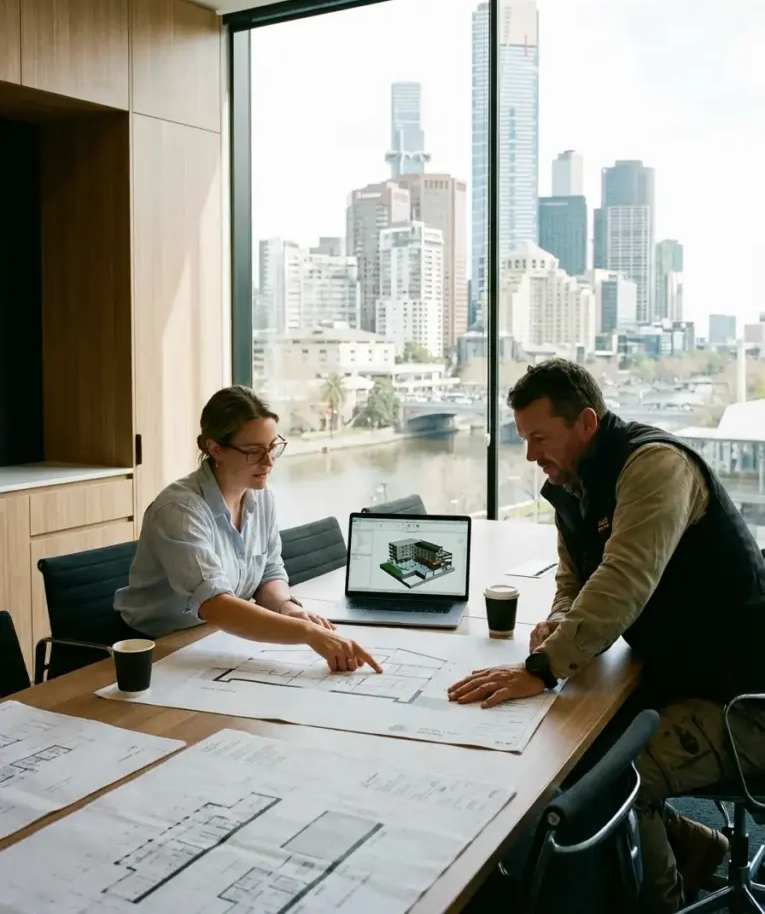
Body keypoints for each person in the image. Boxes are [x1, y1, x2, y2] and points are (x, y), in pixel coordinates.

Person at [448, 359, 765, 913]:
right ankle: (694, 845)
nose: (530, 455)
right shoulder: (575, 483)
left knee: (615, 784)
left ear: (586, 423)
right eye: (523, 439)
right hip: (680, 673)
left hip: (740, 695)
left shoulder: (654, 468)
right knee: (568, 754)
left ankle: (658, 904)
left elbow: (623, 581)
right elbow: (575, 578)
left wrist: (541, 669)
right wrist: (558, 624)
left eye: (540, 437)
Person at [115, 386, 382, 675]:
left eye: (272, 447)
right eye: (255, 452)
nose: (268, 462)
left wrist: (287, 607)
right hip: (155, 649)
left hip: (215, 637)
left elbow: (268, 572)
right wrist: (306, 633)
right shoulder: (180, 510)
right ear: (215, 448)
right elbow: (216, 605)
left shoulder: (260, 496)